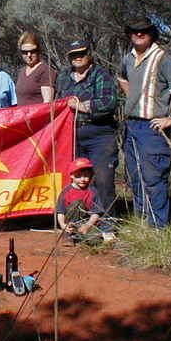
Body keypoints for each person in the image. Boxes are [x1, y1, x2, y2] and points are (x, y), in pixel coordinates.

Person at [118, 17, 171, 228]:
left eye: (143, 31)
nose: (138, 35)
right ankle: (141, 221)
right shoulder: (127, 59)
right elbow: (121, 77)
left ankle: (158, 227)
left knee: (154, 178)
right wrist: (133, 98)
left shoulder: (162, 58)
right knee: (134, 175)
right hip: (131, 125)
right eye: (134, 31)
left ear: (152, 34)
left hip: (152, 128)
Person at [55, 40, 118, 215]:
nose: (78, 57)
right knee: (76, 181)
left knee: (103, 179)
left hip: (100, 134)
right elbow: (57, 102)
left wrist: (82, 106)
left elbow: (109, 102)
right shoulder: (63, 76)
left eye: (81, 53)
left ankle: (107, 224)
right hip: (72, 136)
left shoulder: (101, 74)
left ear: (89, 54)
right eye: (73, 55)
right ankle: (77, 221)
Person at [55, 158, 114, 241]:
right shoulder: (66, 191)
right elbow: (60, 212)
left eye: (86, 176)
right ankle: (68, 235)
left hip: (86, 222)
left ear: (90, 175)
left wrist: (87, 225)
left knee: (96, 240)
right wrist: (63, 225)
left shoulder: (93, 191)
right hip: (70, 223)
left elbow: (96, 213)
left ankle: (79, 236)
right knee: (78, 203)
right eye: (78, 176)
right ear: (71, 175)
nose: (82, 179)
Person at [15, 31, 56, 105]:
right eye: (25, 52)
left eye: (33, 51)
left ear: (39, 51)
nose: (29, 55)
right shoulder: (21, 71)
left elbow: (47, 104)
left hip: (38, 116)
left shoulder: (46, 71)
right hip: (22, 115)